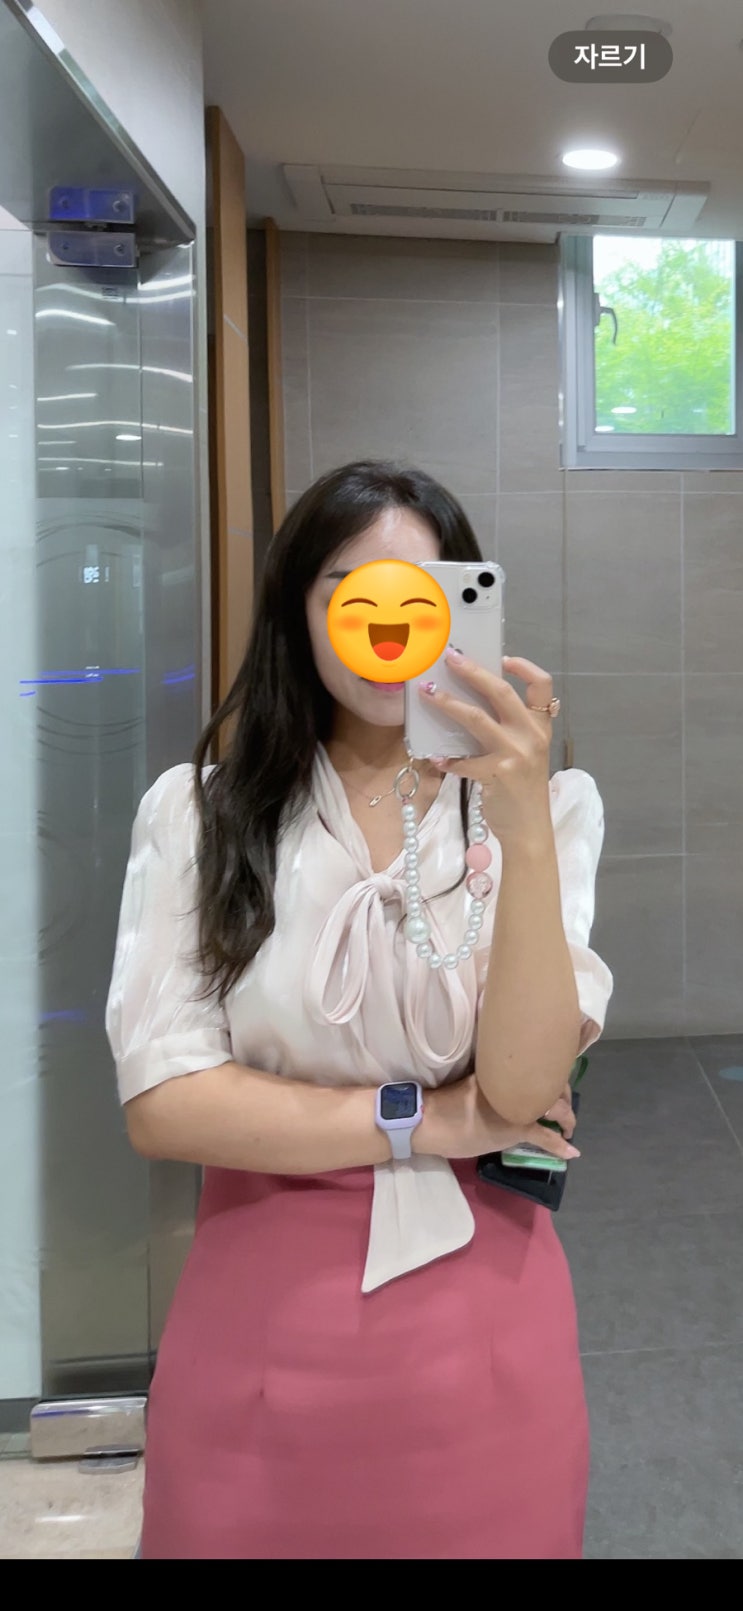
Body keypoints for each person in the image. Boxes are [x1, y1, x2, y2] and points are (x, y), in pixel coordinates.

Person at [106, 460, 613, 1560]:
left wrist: (520, 822)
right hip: (256, 1321)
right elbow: (165, 1102)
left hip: (486, 1327)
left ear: (463, 608)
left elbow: (523, 1086)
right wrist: (424, 1117)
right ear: (299, 610)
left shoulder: (544, 811)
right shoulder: (203, 813)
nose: (386, 625)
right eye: (349, 591)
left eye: (419, 595)